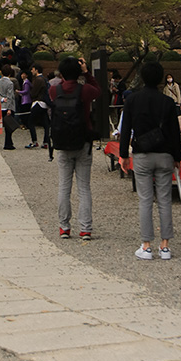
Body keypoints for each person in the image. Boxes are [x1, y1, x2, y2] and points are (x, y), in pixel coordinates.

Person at [119, 62, 181, 260]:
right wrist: (178, 157)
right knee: (164, 200)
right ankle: (165, 246)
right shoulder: (168, 102)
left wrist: (123, 154)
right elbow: (174, 132)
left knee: (145, 200)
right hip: (164, 154)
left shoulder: (132, 100)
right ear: (162, 78)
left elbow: (126, 129)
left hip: (142, 154)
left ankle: (146, 245)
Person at [49, 56, 101, 241]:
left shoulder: (55, 90)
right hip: (83, 142)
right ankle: (85, 228)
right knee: (84, 187)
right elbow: (98, 91)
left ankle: (64, 227)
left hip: (62, 143)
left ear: (61, 73)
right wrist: (86, 73)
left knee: (64, 187)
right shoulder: (85, 90)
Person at [0, 65, 17, 150]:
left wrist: (1, 99)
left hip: (1, 105)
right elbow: (10, 96)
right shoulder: (10, 83)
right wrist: (9, 108)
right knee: (9, 127)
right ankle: (8, 143)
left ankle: (8, 142)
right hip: (8, 106)